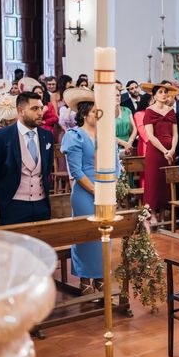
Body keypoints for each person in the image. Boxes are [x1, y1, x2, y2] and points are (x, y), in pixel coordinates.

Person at [60, 88, 120, 295]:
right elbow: (76, 170)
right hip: (85, 193)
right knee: (87, 236)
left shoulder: (107, 135)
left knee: (106, 235)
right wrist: (97, 191)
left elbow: (116, 165)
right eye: (95, 112)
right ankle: (85, 278)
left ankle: (101, 275)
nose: (98, 115)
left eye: (100, 112)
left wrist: (111, 188)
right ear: (84, 113)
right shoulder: (74, 135)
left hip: (106, 191)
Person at [0, 92, 54, 225]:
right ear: (20, 111)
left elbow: (47, 168)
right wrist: (6, 195)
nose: (40, 112)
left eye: (41, 108)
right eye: (34, 109)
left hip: (42, 205)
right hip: (13, 206)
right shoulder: (1, 137)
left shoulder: (47, 136)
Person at [141, 82, 179, 224]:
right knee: (154, 181)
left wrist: (173, 150)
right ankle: (152, 213)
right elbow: (150, 135)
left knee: (166, 182)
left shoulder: (171, 111)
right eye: (161, 92)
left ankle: (164, 212)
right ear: (154, 95)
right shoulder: (149, 111)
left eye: (165, 92)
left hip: (170, 151)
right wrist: (164, 151)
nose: (164, 95)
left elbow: (175, 134)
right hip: (156, 152)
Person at [115, 88, 137, 156]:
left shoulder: (127, 110)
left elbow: (134, 129)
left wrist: (129, 142)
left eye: (118, 95)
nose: (116, 98)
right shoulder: (105, 112)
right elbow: (107, 134)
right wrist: (124, 143)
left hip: (128, 146)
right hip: (113, 146)